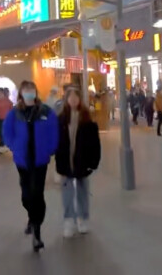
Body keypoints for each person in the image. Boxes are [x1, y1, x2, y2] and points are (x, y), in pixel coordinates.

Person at [3, 80, 59, 252]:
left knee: (37, 193)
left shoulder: (46, 111)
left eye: (31, 89)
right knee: (26, 195)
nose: (29, 93)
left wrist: (50, 149)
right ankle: (31, 216)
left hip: (40, 160)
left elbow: (54, 132)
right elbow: (7, 133)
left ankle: (37, 231)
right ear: (21, 93)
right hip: (23, 160)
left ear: (35, 91)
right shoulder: (15, 113)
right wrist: (15, 148)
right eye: (26, 90)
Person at [54, 87, 101, 238]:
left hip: (82, 162)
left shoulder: (88, 120)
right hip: (65, 163)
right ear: (66, 100)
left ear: (80, 99)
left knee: (82, 192)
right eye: (71, 97)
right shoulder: (60, 120)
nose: (73, 100)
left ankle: (83, 218)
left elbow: (95, 144)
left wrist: (93, 163)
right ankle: (68, 220)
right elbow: (56, 142)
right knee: (67, 194)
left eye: (76, 97)